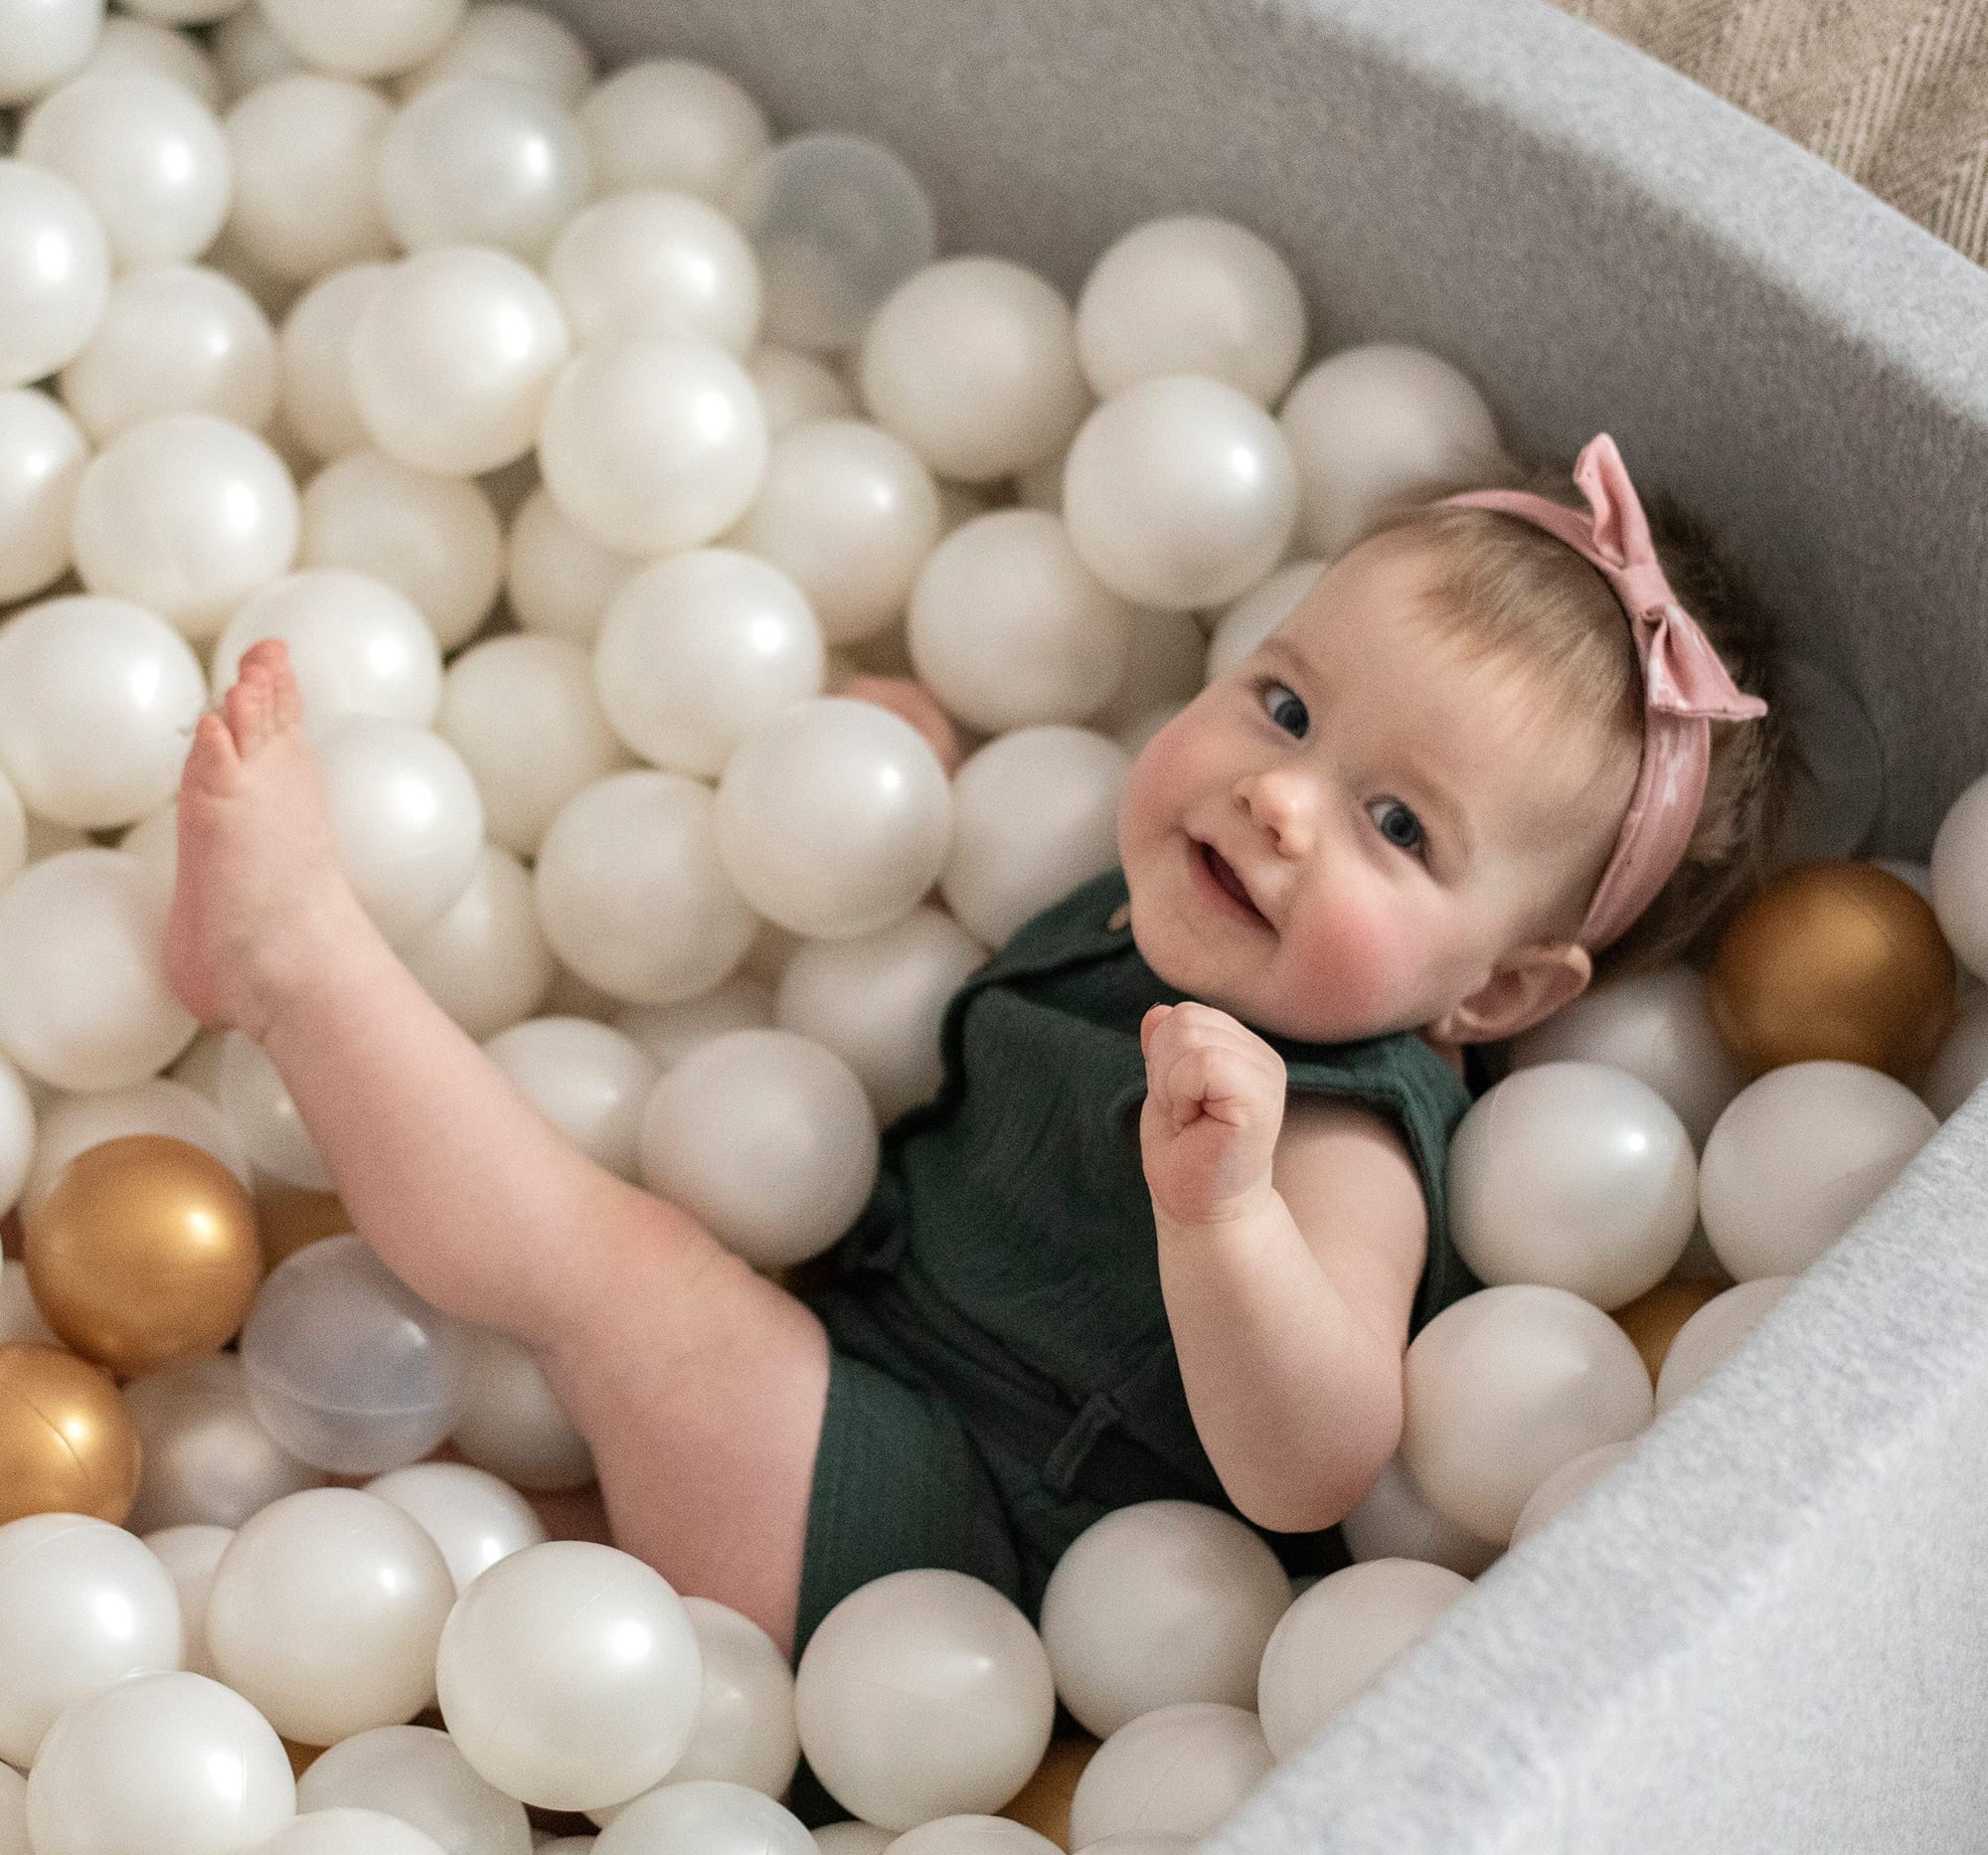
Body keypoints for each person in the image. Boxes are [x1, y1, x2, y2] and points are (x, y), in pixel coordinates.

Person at [163, 431, 1791, 1671]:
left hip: (941, 1562)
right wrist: (913, 761)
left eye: (1394, 825)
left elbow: (1316, 1460)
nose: (1278, 801)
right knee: (428, 1571)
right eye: (1285, 708)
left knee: (630, 1284)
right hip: (837, 1405)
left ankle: (290, 959)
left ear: (1495, 999)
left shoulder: (1334, 1139)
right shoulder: (1167, 892)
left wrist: (1226, 1218)